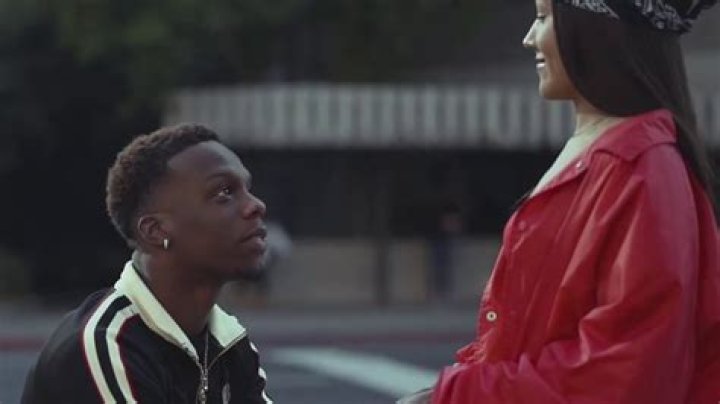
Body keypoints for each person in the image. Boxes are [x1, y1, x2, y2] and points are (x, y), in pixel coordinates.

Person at [400, 0, 720, 403]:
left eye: (543, 17)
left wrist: (457, 395)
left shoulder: (642, 169)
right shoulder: (618, 157)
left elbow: (623, 371)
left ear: (596, 28)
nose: (529, 38)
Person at [22, 124, 273, 403]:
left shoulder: (230, 344)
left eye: (247, 189)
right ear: (156, 231)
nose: (256, 205)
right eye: (224, 192)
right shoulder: (108, 344)